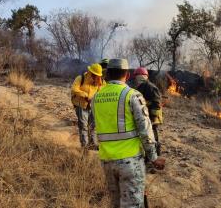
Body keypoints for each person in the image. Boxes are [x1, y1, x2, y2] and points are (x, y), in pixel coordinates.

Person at [92, 59, 165, 208]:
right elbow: (145, 129)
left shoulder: (96, 98)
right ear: (127, 75)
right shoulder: (132, 95)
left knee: (116, 203)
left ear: (107, 74)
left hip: (106, 161)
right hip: (130, 162)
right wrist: (153, 157)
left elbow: (95, 127)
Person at [71, 63, 105, 149]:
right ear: (90, 72)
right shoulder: (80, 78)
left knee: (93, 126)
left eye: (98, 75)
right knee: (83, 126)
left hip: (93, 106)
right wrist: (85, 95)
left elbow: (103, 92)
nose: (97, 77)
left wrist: (95, 97)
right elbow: (74, 89)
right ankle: (85, 146)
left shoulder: (100, 82)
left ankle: (93, 144)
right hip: (81, 105)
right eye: (95, 75)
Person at [133, 67, 163, 156]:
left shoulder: (150, 87)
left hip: (152, 116)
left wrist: (153, 118)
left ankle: (157, 155)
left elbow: (156, 103)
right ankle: (148, 155)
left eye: (137, 76)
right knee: (146, 136)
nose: (136, 78)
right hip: (146, 115)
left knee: (153, 135)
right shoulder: (141, 86)